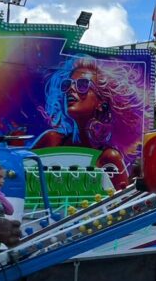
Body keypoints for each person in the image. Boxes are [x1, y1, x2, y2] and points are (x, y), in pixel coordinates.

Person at [33, 56, 146, 189]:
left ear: (101, 103)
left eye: (82, 85)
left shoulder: (108, 157)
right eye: (67, 84)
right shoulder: (51, 140)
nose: (71, 89)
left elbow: (121, 200)